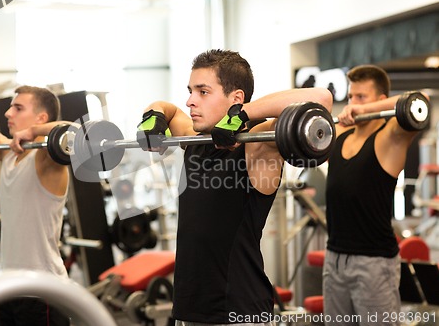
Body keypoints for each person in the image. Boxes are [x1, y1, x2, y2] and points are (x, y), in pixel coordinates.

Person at [137, 49, 333, 325]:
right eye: (190, 91)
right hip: (189, 310)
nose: (191, 101)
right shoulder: (196, 139)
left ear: (236, 98)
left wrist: (242, 115)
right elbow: (168, 109)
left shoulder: (258, 144)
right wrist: (154, 114)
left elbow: (321, 99)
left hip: (238, 311)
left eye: (203, 92)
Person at [323, 65, 429, 325]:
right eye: (350, 97)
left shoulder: (390, 136)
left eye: (361, 97)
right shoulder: (341, 133)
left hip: (373, 265)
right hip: (334, 260)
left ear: (381, 101)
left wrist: (365, 111)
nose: (353, 104)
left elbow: (420, 101)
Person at [0, 85, 71, 326]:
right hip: (9, 287)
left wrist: (34, 132)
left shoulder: (47, 159)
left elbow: (75, 131)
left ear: (41, 118)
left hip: (42, 291)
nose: (8, 113)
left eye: (17, 108)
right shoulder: (9, 154)